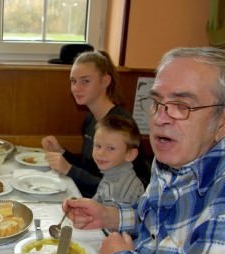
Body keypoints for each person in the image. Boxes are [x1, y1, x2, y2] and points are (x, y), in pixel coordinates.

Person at [64, 47, 225, 254]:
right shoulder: (174, 159)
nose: (161, 118)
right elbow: (154, 218)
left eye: (181, 105)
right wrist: (108, 216)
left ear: (221, 122)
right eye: (156, 102)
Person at [41, 50, 150, 198]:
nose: (76, 88)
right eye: (73, 81)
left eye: (85, 81)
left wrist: (69, 170)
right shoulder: (90, 119)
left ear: (105, 81)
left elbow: (112, 187)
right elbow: (90, 167)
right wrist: (62, 152)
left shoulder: (120, 125)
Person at [91, 114, 144, 205]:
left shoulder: (117, 191)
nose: (100, 153)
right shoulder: (113, 174)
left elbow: (108, 218)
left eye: (111, 148)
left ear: (130, 154)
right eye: (98, 146)